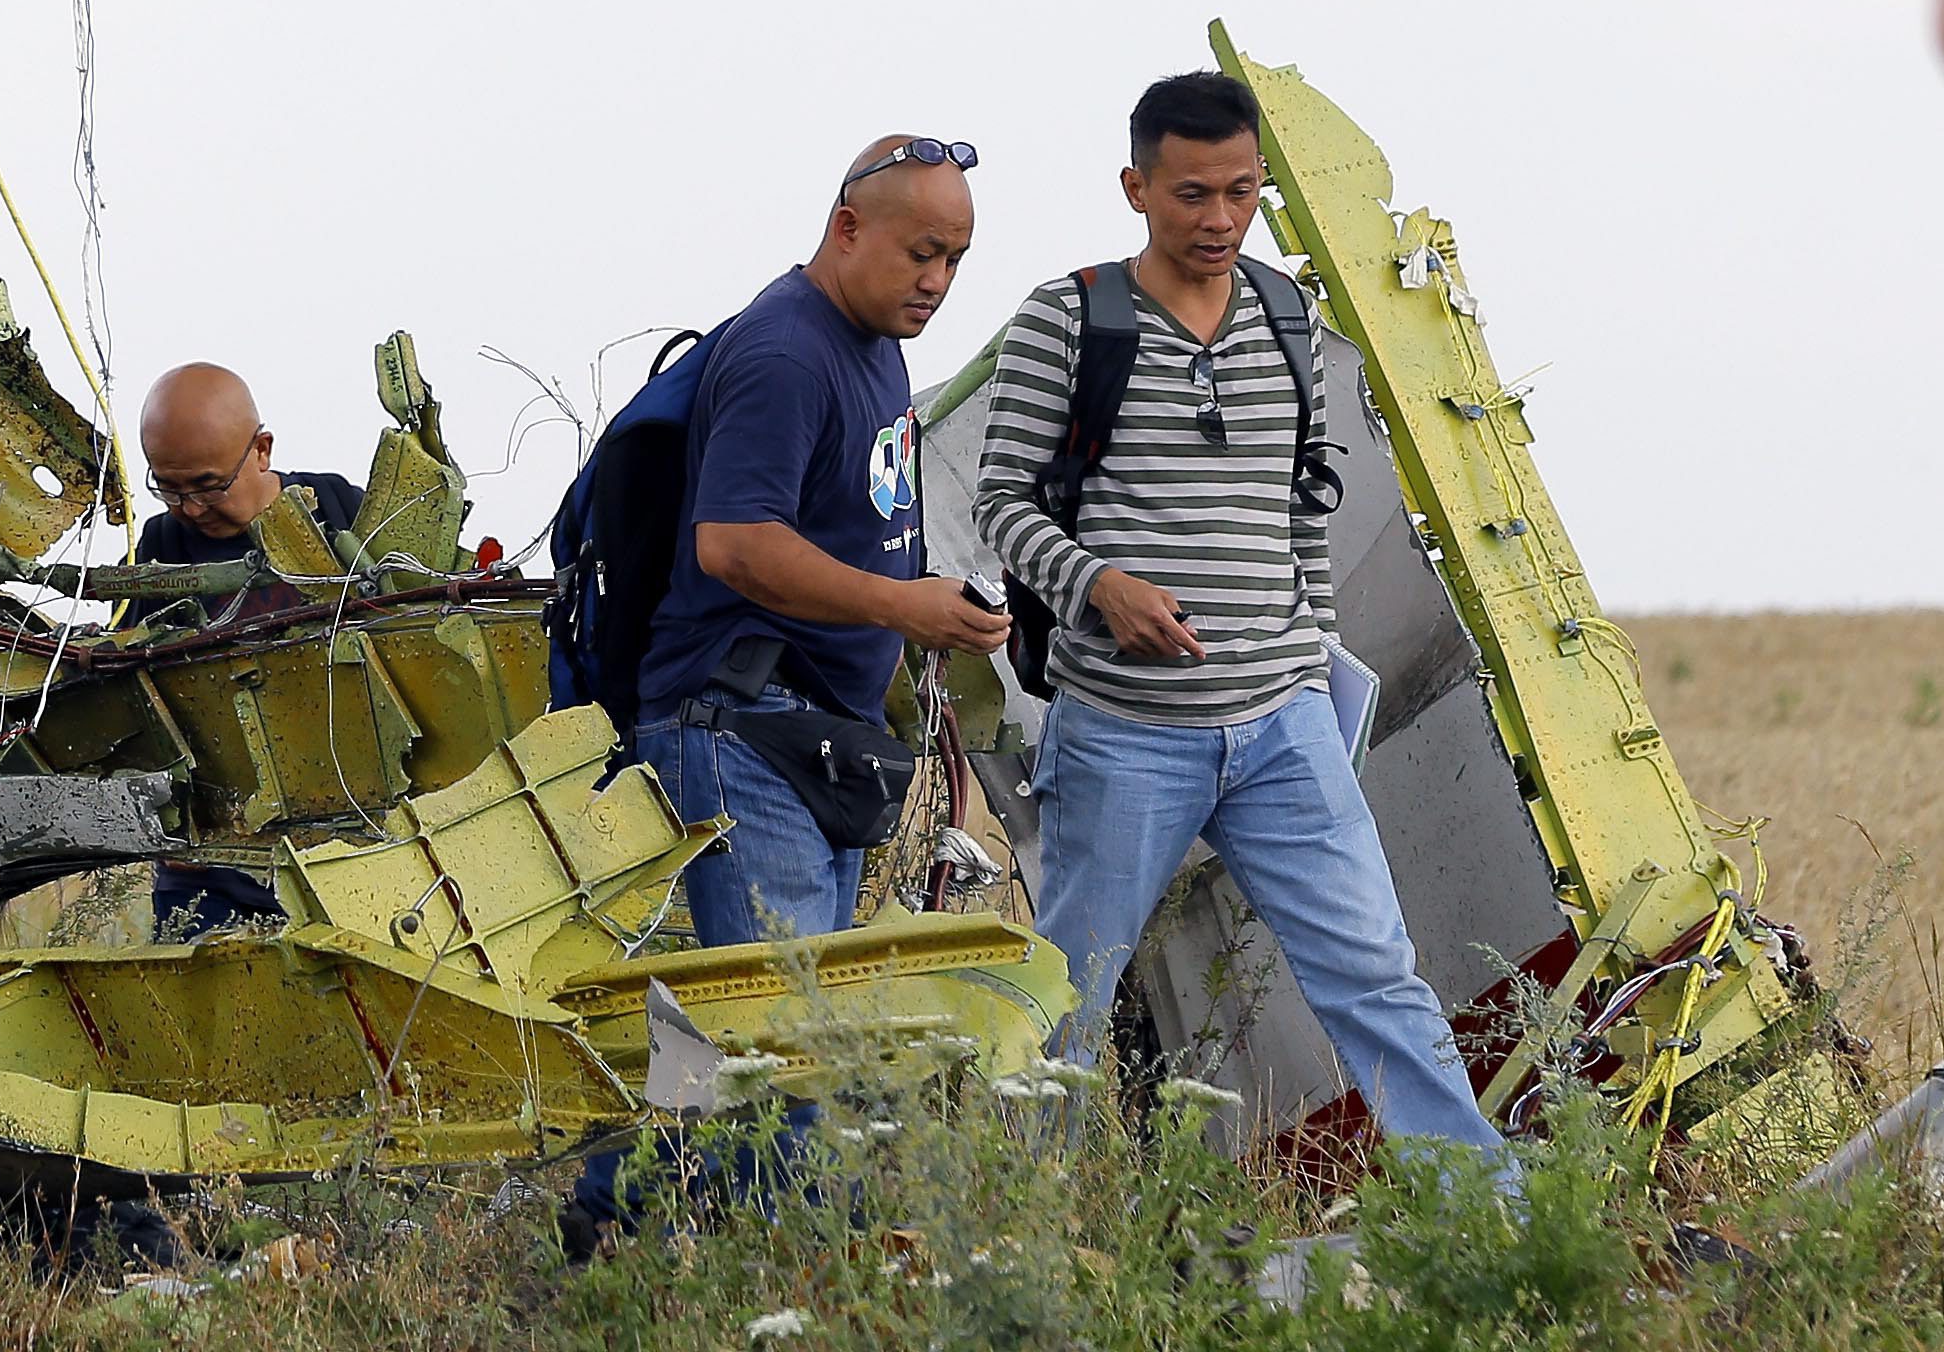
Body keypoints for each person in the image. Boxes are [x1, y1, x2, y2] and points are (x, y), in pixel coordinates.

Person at [974, 70, 1509, 1162]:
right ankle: (1028, 1242)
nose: (1217, 219)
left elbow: (1300, 501)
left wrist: (1312, 660)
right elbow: (999, 504)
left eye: (1238, 191)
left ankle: (1482, 1221)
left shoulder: (1284, 315)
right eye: (1188, 195)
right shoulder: (1064, 320)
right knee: (1065, 1000)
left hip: (1282, 729)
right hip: (1124, 734)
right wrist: (1097, 588)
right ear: (1134, 187)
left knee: (1375, 981)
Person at [630, 135, 1009, 945]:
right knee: (781, 1039)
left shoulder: (875, 347)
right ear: (847, 228)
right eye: (921, 253)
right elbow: (731, 544)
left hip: (820, 740)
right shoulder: (787, 354)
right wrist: (902, 607)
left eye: (954, 259)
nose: (937, 281)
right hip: (748, 730)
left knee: (812, 1035)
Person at [123, 362, 363, 937]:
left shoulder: (340, 512)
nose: (191, 508)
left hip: (345, 842)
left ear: (261, 449)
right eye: (169, 487)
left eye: (207, 485)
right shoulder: (160, 545)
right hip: (211, 860)